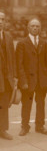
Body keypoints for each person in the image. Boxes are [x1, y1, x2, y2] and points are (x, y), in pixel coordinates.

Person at [16, 18, 47, 136]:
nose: (35, 28)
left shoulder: (44, 43)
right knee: (26, 104)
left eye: (37, 26)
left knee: (41, 104)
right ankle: (25, 127)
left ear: (40, 29)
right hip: (28, 81)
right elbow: (19, 65)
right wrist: (23, 81)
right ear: (28, 28)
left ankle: (40, 126)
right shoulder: (22, 43)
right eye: (33, 26)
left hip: (41, 80)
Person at [0, 12, 16, 140]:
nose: (0, 21)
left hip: (6, 78)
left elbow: (13, 58)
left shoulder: (9, 37)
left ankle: (2, 130)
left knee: (4, 104)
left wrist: (14, 76)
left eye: (3, 19)